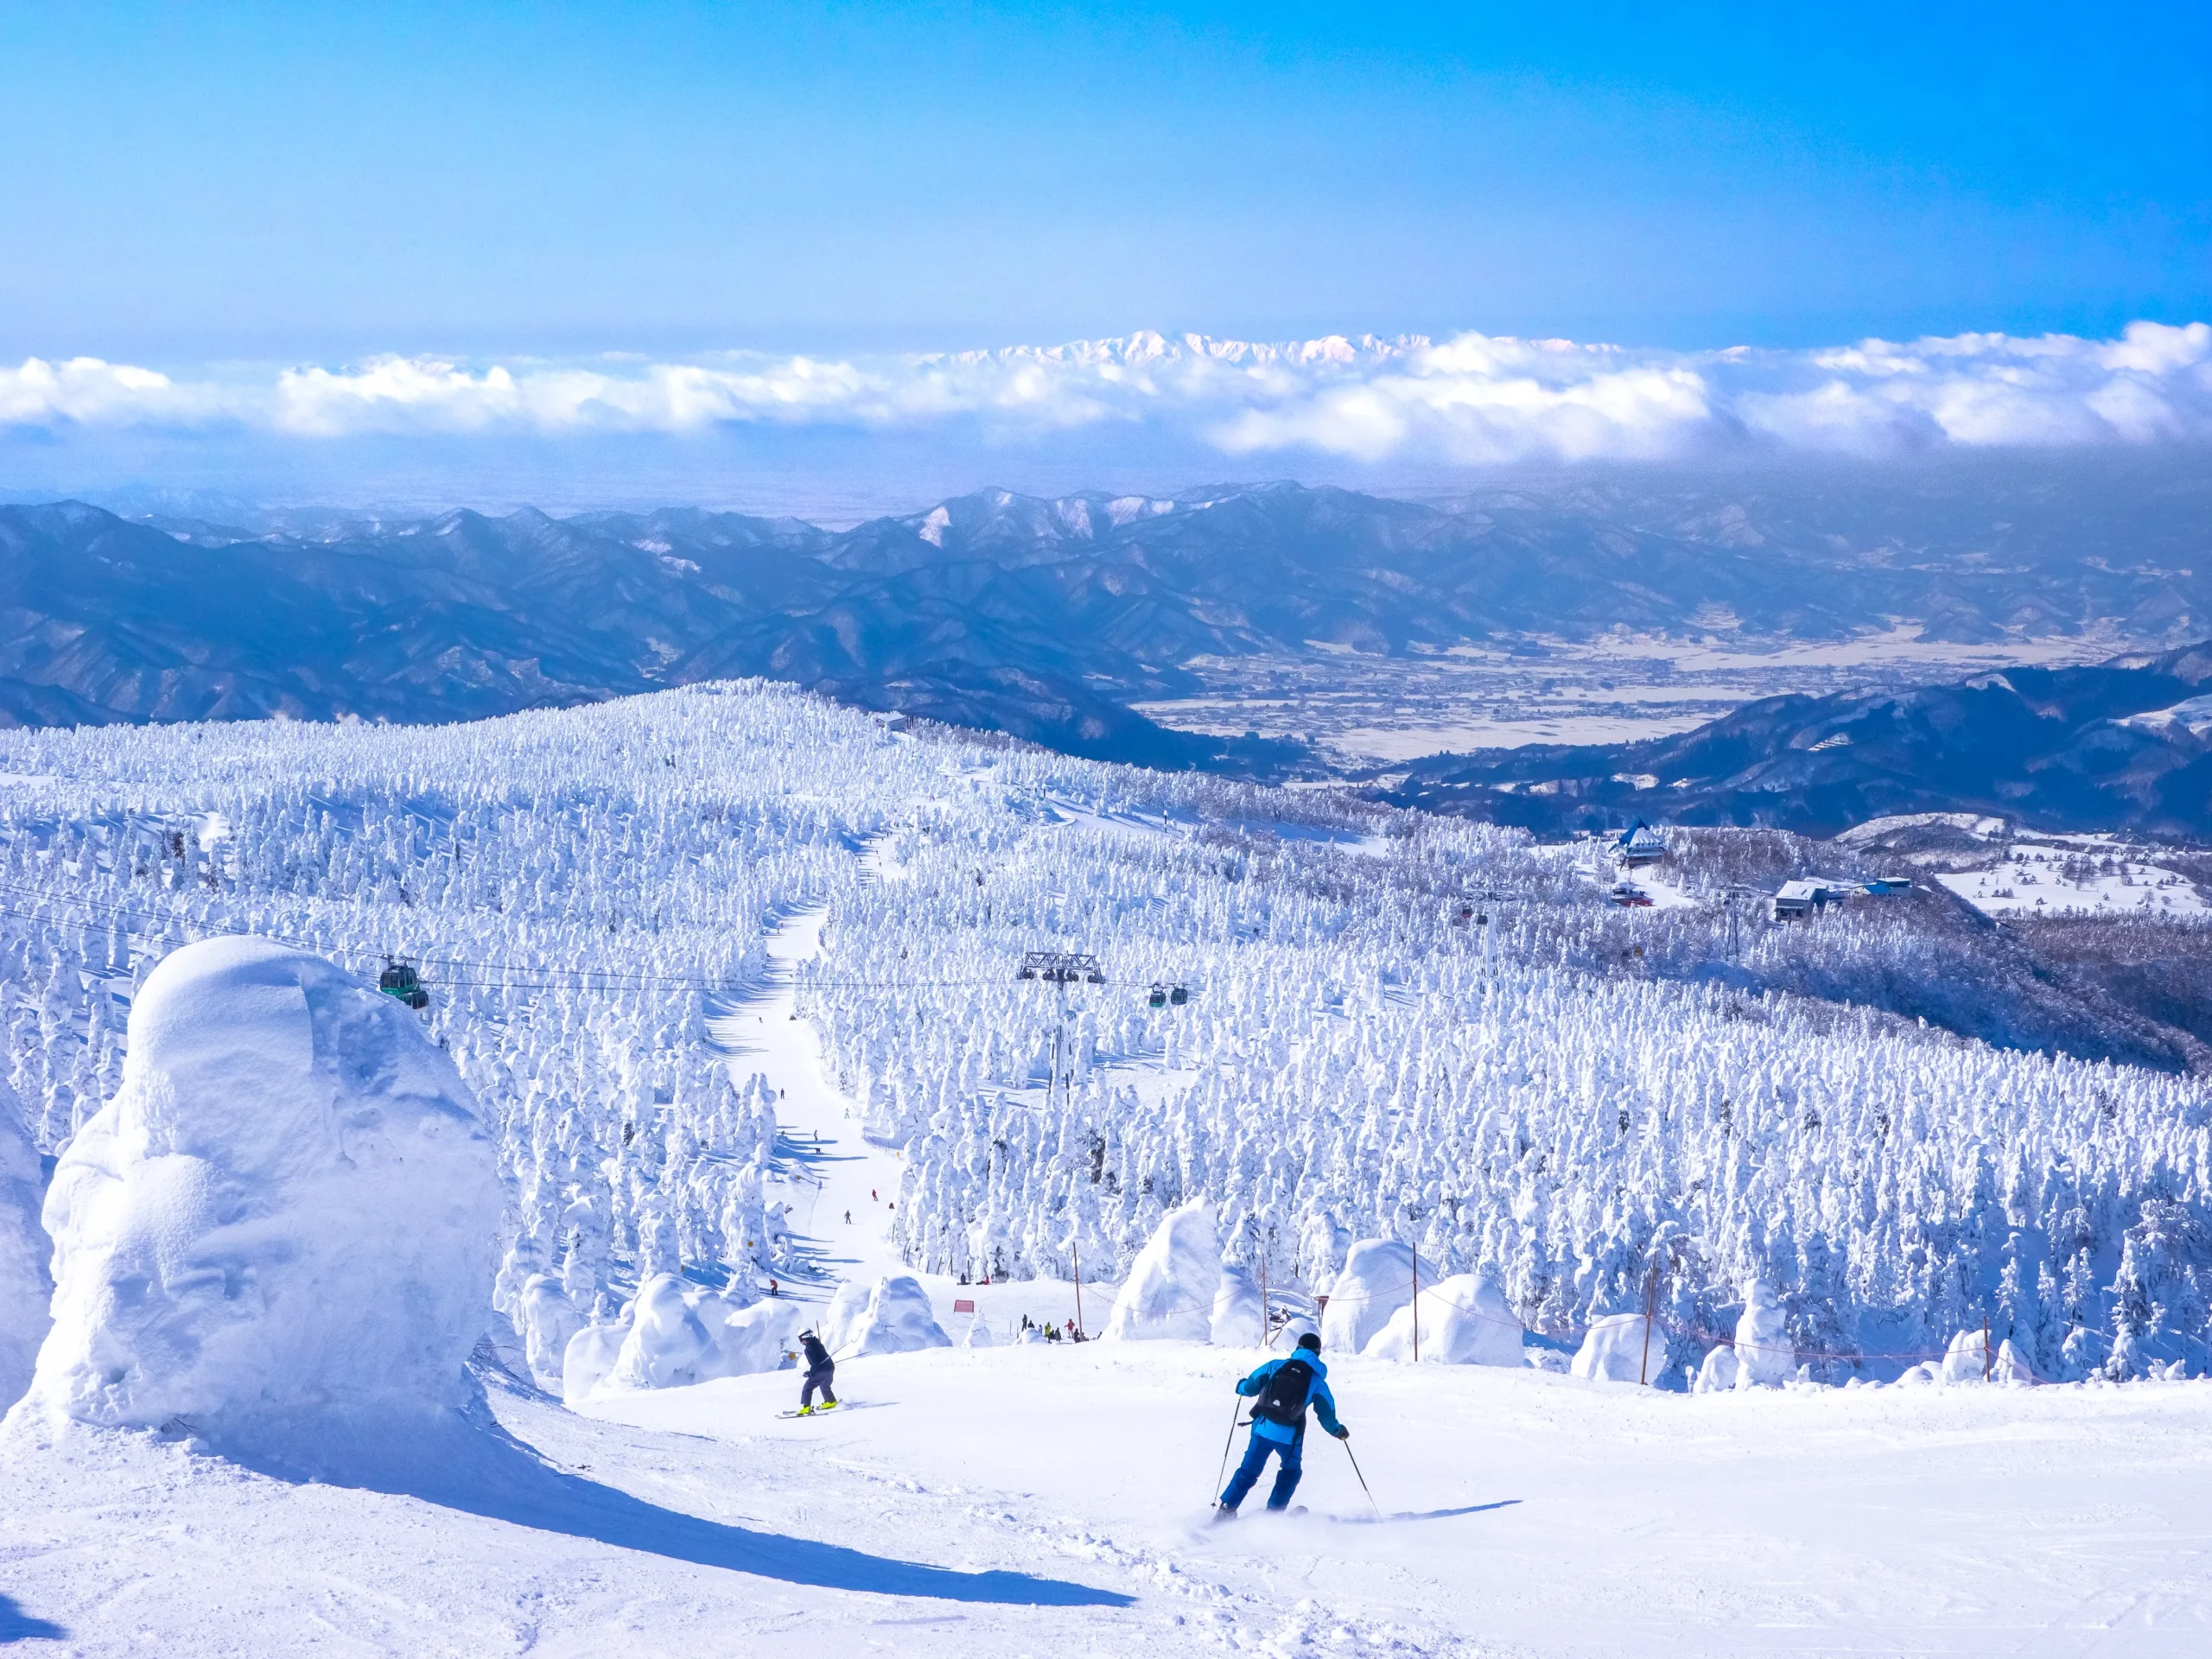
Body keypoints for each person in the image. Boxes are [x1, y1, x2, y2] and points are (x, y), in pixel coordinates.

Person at [1216, 1332, 1346, 1520]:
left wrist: (1240, 1386)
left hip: (1262, 1429)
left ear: (1298, 1348)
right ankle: (1274, 1514)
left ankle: (1226, 1509)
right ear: (1318, 1353)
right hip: (1290, 1438)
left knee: (1249, 1470)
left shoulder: (1276, 1366)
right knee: (1291, 1471)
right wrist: (1338, 1430)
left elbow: (1250, 1387)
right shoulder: (1318, 1382)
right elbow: (1327, 1414)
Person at [796, 1329, 839, 1415]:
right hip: (830, 1367)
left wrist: (811, 1373)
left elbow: (815, 1363)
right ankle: (831, 1401)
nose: (802, 1342)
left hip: (822, 1370)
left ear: (803, 1339)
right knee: (824, 1384)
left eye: (801, 1340)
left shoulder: (809, 1348)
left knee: (808, 1387)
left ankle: (806, 1408)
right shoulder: (817, 1342)